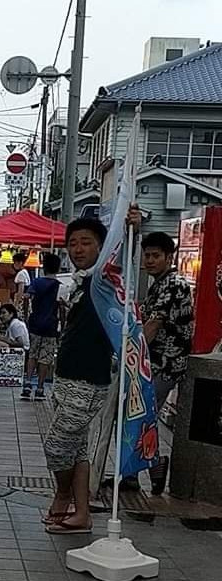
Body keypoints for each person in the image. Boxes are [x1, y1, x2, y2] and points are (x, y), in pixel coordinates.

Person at [42, 213, 139, 534]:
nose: (78, 249)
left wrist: (130, 229)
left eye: (86, 242)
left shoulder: (104, 280)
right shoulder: (82, 281)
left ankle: (62, 496)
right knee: (77, 448)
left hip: (88, 378)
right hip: (67, 374)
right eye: (72, 243)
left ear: (102, 247)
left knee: (56, 446)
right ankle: (81, 514)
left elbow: (119, 256)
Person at [140, 231, 193, 494]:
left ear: (169, 257)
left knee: (144, 415)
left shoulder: (174, 283)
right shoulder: (158, 283)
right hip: (155, 362)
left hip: (166, 363)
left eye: (155, 255)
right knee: (140, 415)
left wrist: (134, 355)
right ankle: (136, 471)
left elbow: (155, 323)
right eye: (147, 255)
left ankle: (154, 465)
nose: (149, 260)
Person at [21, 253, 63, 401]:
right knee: (45, 358)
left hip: (35, 323)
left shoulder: (36, 282)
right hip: (51, 326)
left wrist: (26, 314)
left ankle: (27, 383)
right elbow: (62, 307)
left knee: (32, 354)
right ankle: (40, 388)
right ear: (58, 268)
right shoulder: (59, 286)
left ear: (44, 267)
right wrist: (62, 325)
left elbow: (26, 297)